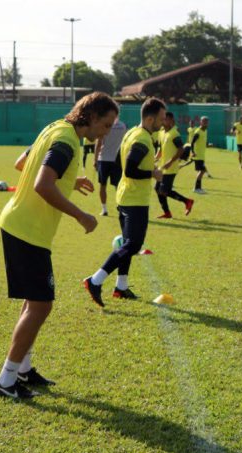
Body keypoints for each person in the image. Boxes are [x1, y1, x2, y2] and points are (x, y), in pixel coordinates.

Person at [0, 92, 117, 399]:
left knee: (33, 302)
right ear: (89, 117)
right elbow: (42, 183)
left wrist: (69, 180)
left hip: (19, 224)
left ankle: (23, 369)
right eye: (105, 124)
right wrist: (81, 215)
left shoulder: (54, 128)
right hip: (27, 230)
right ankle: (6, 381)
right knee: (41, 305)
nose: (106, 132)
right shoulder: (67, 141)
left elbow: (23, 162)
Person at [84, 98, 166, 307]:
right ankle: (95, 280)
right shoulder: (142, 139)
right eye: (161, 118)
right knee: (133, 244)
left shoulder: (132, 133)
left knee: (127, 242)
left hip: (125, 195)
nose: (163, 122)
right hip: (134, 199)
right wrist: (153, 173)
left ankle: (121, 287)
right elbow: (130, 169)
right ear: (150, 118)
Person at [155, 112, 194, 219]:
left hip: (171, 168)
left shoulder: (174, 133)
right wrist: (156, 157)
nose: (163, 121)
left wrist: (170, 162)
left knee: (163, 191)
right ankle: (167, 213)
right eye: (162, 119)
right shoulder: (162, 132)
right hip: (162, 167)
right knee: (158, 189)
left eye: (165, 119)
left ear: (171, 120)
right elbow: (161, 148)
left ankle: (187, 201)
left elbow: (181, 149)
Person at [95, 117, 127, 216]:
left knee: (102, 185)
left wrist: (95, 159)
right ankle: (121, 208)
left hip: (104, 159)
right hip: (117, 160)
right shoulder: (123, 126)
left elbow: (99, 143)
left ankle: (104, 209)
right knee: (118, 186)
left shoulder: (105, 125)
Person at [191, 116, 209, 194]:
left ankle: (199, 188)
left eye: (206, 122)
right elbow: (192, 142)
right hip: (198, 155)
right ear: (200, 122)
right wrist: (192, 152)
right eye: (204, 121)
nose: (205, 123)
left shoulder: (205, 131)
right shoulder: (198, 132)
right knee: (202, 171)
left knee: (201, 171)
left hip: (202, 155)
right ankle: (196, 188)